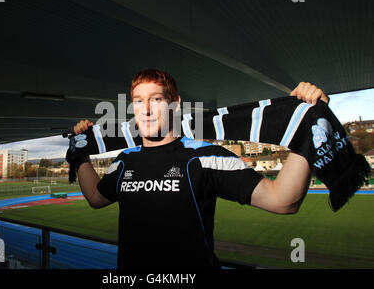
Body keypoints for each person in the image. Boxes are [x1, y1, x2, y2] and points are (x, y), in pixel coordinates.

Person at [72, 69, 329, 269]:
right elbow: (95, 198)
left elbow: (282, 201)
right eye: (138, 101)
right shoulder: (125, 160)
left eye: (156, 99)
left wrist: (307, 126)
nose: (146, 110)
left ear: (175, 103)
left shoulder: (206, 157)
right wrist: (81, 153)